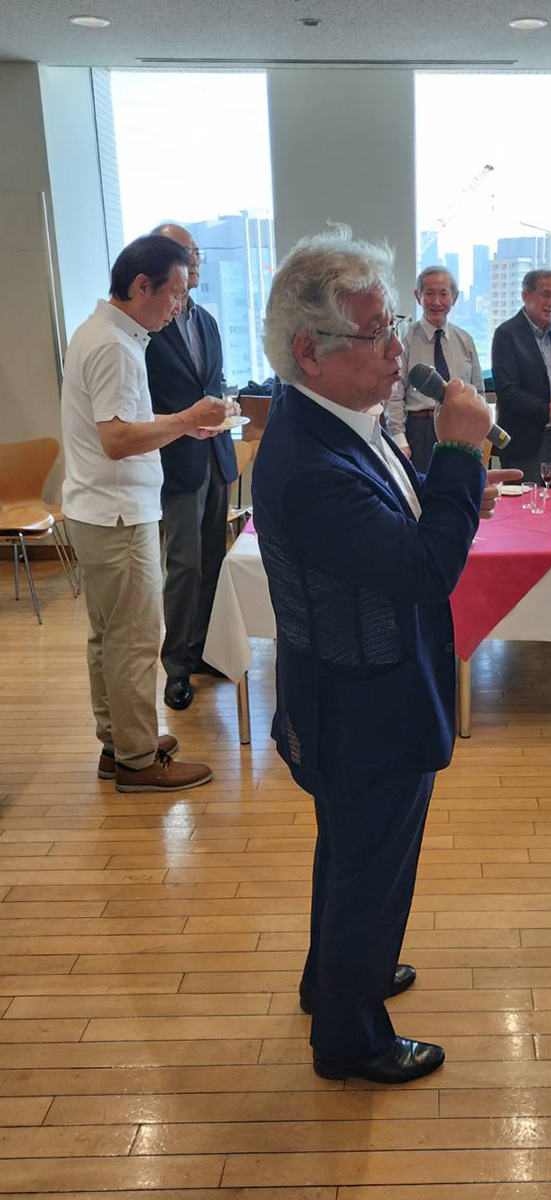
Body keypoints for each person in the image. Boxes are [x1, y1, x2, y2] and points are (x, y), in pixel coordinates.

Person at [252, 228, 519, 1085]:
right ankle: (351, 1037)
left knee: (351, 856)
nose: (398, 348)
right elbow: (422, 569)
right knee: (371, 868)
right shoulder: (309, 462)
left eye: (393, 324)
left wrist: (447, 474)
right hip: (362, 702)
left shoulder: (333, 417)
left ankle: (333, 980)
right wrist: (461, 453)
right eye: (375, 334)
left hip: (356, 689)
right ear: (310, 351)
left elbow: (394, 518)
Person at [61, 235, 227, 791]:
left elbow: (125, 420)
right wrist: (185, 419)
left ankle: (118, 742)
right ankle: (136, 760)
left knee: (109, 636)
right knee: (133, 639)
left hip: (99, 509)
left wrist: (180, 425)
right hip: (117, 513)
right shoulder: (114, 345)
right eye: (174, 292)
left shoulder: (104, 332)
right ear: (141, 286)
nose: (180, 304)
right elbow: (116, 440)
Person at [146, 223, 239, 711]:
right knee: (184, 565)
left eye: (198, 252)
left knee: (214, 560)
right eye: (187, 253)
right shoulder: (149, 329)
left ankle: (203, 649)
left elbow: (213, 383)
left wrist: (225, 408)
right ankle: (177, 667)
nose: (196, 260)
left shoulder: (207, 321)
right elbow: (144, 405)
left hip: (216, 455)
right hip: (177, 461)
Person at [383, 267, 484, 472]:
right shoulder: (405, 340)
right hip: (420, 430)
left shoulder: (465, 340)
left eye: (444, 294)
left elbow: (478, 391)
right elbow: (394, 394)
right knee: (422, 488)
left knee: (459, 484)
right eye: (429, 293)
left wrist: (479, 433)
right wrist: (399, 438)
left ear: (454, 297)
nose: (437, 302)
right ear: (417, 296)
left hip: (461, 428)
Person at [491, 269, 551, 483]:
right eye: (546, 295)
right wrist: (550, 412)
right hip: (523, 443)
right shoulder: (506, 334)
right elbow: (507, 390)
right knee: (524, 502)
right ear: (526, 295)